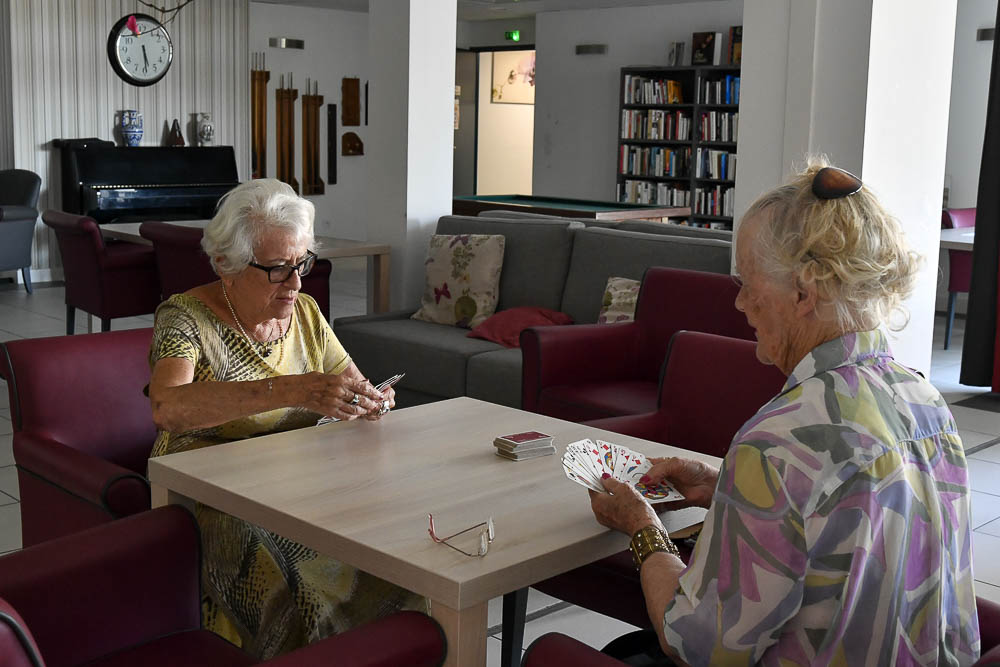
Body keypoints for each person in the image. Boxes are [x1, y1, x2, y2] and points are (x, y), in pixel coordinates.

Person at [588, 159, 979, 666]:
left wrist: (643, 528)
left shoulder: (780, 442)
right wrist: (726, 485)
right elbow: (838, 522)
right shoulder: (926, 402)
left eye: (748, 282)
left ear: (802, 292)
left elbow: (696, 646)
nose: (741, 304)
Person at [146, 179, 425, 659]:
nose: (296, 283)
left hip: (297, 483)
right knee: (288, 595)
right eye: (278, 270)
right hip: (209, 490)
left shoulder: (307, 313)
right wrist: (290, 389)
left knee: (392, 570)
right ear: (225, 266)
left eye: (302, 265)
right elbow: (167, 406)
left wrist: (368, 401)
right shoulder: (186, 317)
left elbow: (351, 383)